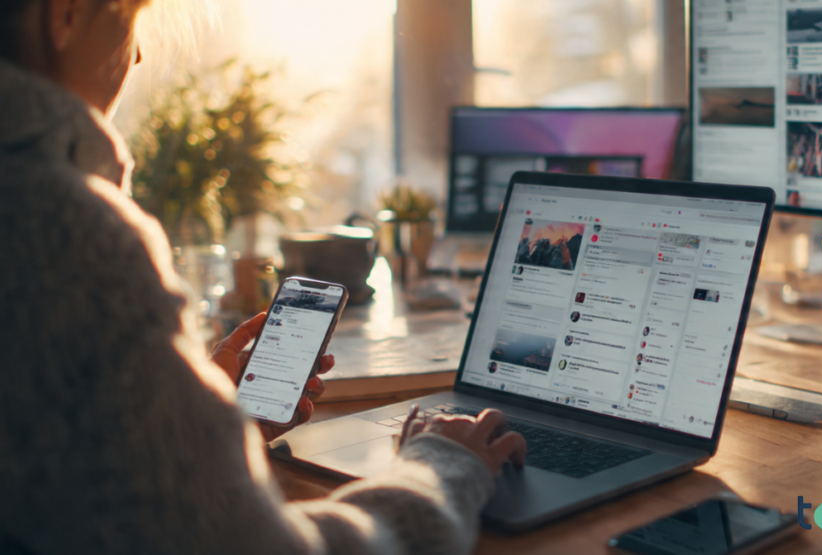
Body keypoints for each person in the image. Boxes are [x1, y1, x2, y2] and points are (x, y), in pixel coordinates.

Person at [0, 1, 525, 554]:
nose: (136, 57)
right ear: (66, 14)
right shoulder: (61, 230)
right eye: (131, 25)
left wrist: (189, 424)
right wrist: (442, 467)